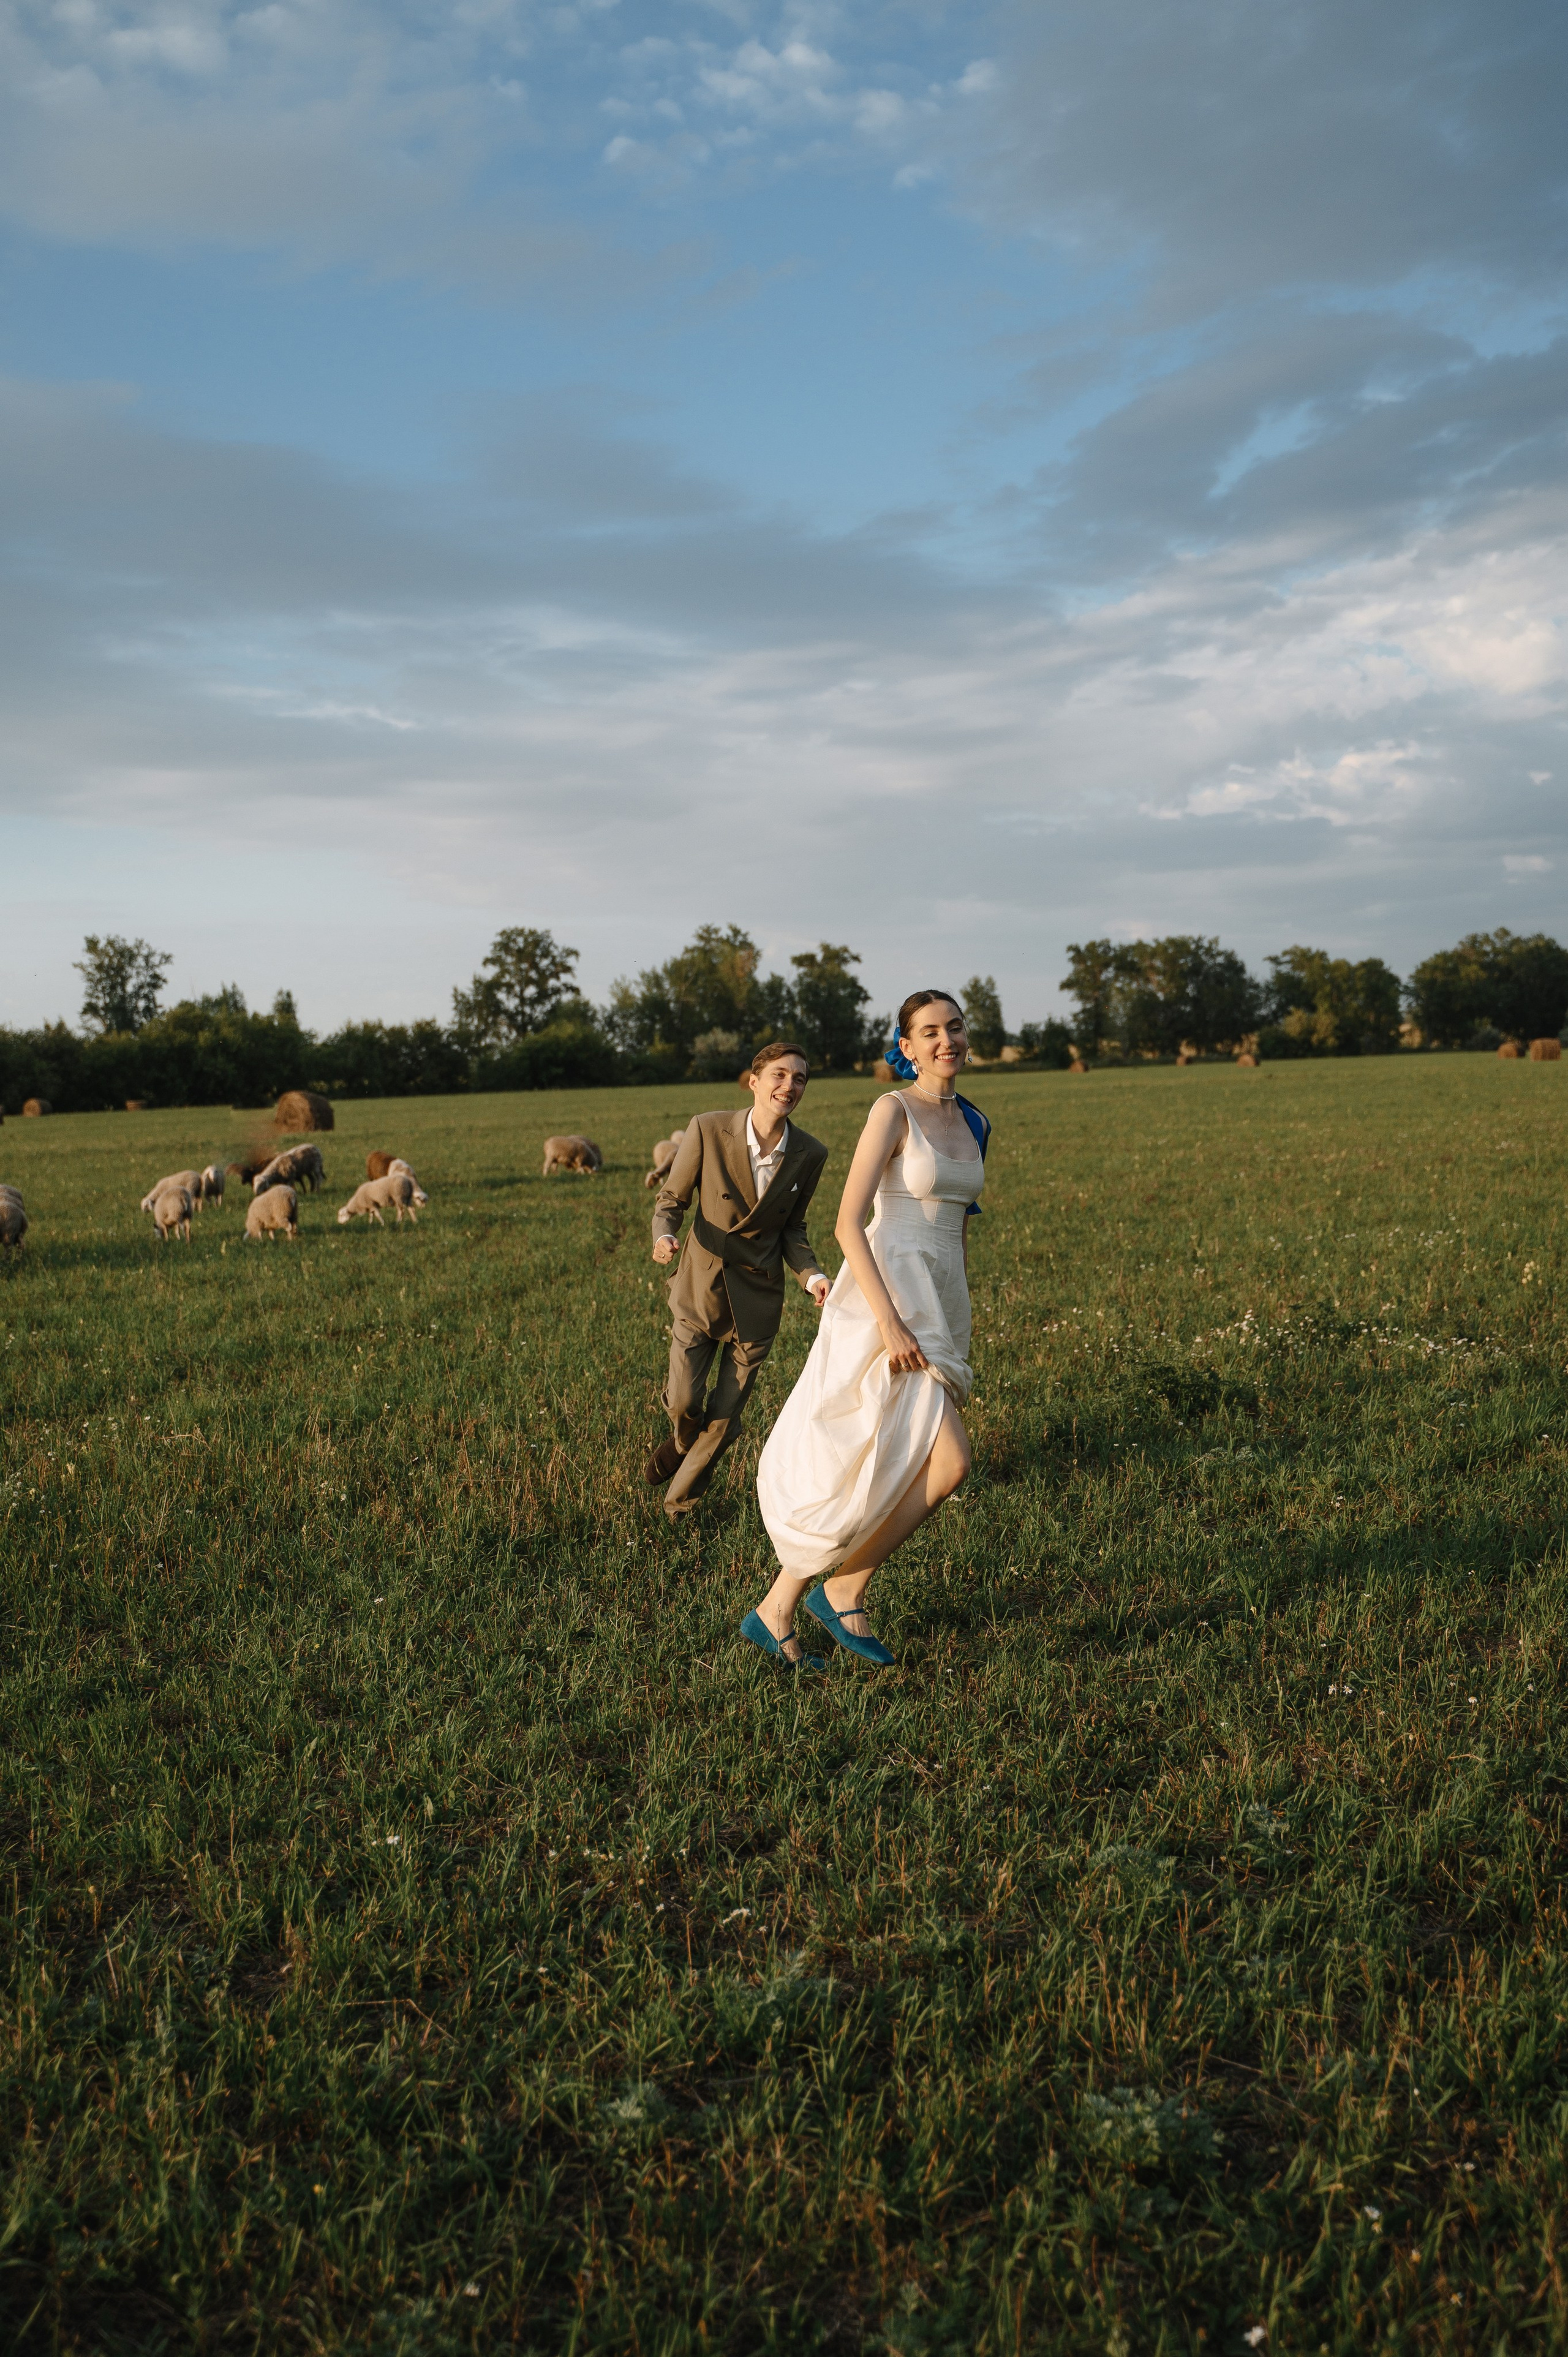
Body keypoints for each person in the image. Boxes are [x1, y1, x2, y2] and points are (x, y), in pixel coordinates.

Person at [745, 990, 989, 1668]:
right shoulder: (892, 1109)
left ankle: (778, 1608)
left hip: (938, 1302)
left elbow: (957, 1229)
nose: (948, 1040)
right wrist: (887, 1321)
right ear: (906, 1047)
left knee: (893, 1454)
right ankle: (845, 1585)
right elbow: (847, 1221)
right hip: (885, 1298)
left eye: (955, 1027)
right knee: (944, 1461)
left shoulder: (975, 1121)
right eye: (930, 1032)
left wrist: (956, 1315)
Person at [647, 1043, 831, 1517]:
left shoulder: (810, 1153)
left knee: (726, 1417)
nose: (789, 1086)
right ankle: (682, 1441)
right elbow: (672, 1199)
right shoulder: (708, 1129)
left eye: (800, 1079)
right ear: (754, 1082)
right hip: (700, 1287)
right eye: (779, 1075)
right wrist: (665, 1236)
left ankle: (679, 1504)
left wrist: (812, 1277)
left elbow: (793, 1227)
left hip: (758, 1298)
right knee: (686, 1399)